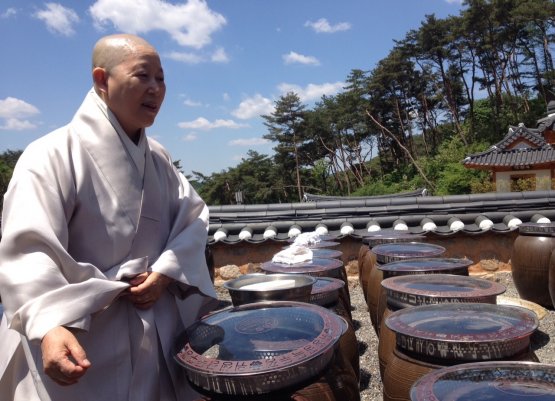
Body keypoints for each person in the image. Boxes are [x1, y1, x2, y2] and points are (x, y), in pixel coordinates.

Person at [0, 34, 218, 401]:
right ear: (102, 80)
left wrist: (165, 273)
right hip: (77, 334)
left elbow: (193, 218)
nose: (156, 89)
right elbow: (27, 251)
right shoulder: (50, 155)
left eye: (161, 78)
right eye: (142, 76)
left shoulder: (159, 158)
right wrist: (48, 325)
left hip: (152, 326)